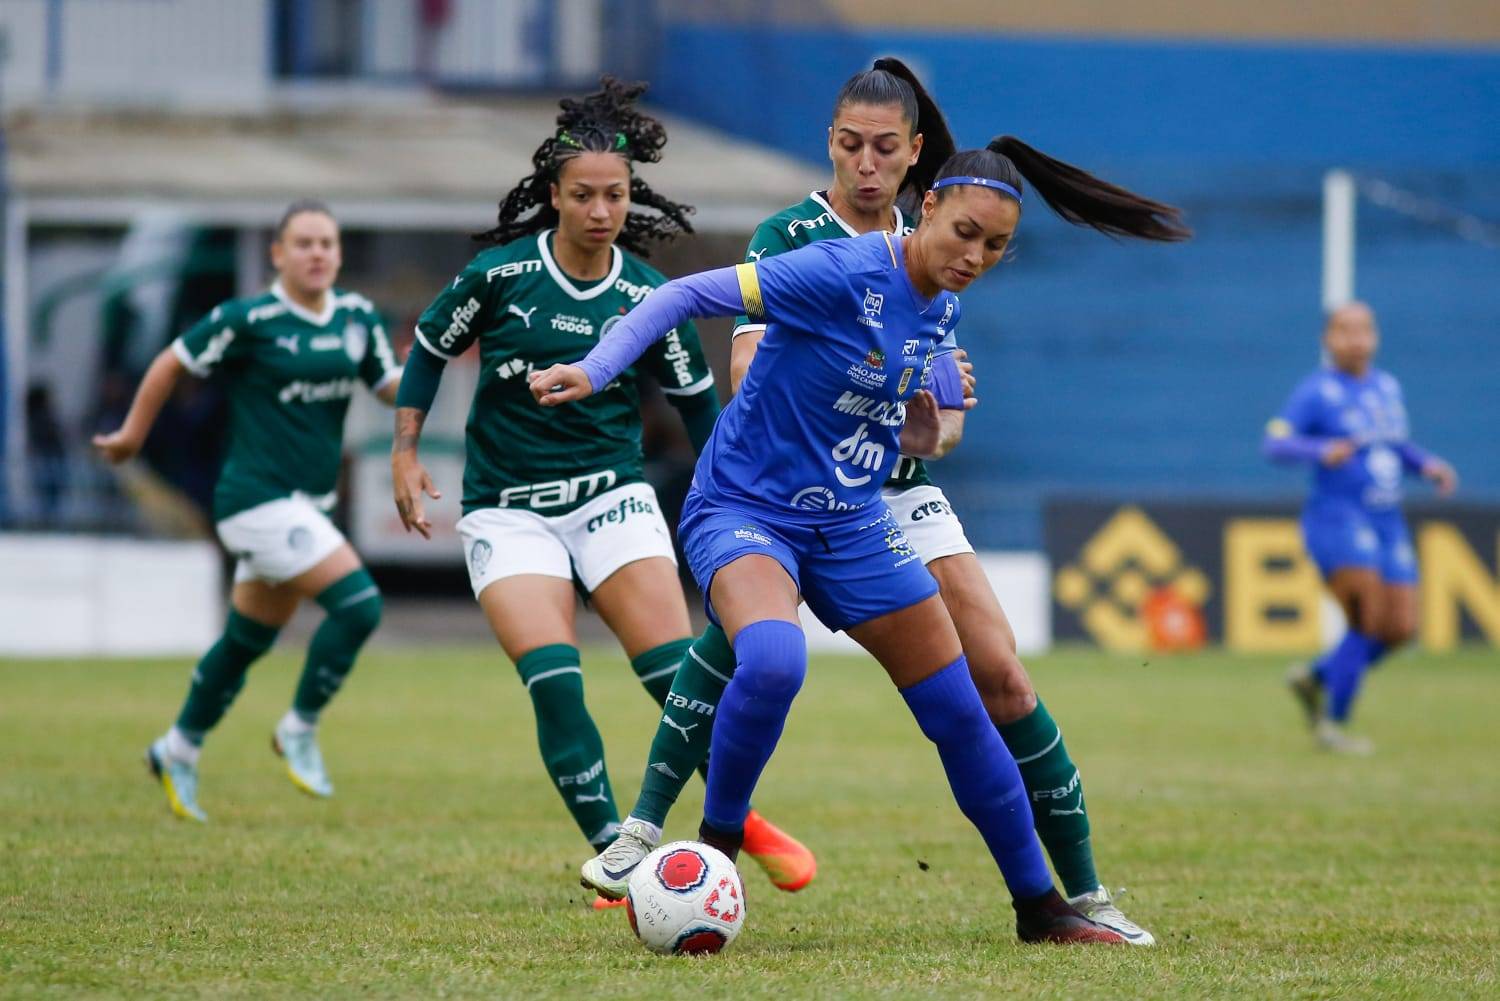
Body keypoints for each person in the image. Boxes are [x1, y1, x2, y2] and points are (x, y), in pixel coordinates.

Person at [578, 58, 1185, 944]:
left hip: (858, 511)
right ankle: (707, 847)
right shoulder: (820, 254)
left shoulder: (940, 295)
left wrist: (926, 419)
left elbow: (927, 430)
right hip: (753, 502)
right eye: (853, 144)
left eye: (995, 247)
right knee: (771, 660)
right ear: (926, 200)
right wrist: (593, 370)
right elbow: (698, 310)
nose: (975, 256)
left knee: (974, 697)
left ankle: (1047, 903)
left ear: (914, 168)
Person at [389, 78, 811, 903]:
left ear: (630, 198)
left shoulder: (650, 297)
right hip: (509, 510)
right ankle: (614, 855)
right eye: (582, 194)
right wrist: (406, 452)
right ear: (553, 197)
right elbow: (430, 349)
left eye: (614, 195)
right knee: (556, 677)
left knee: (675, 677)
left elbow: (702, 412)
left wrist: (743, 505)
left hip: (611, 497)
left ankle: (743, 821)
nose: (599, 210)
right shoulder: (498, 276)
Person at [94, 200, 401, 821]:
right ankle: (300, 726)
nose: (317, 253)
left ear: (339, 255)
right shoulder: (249, 318)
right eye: (304, 243)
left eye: (327, 244)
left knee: (245, 641)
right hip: (255, 501)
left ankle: (176, 747)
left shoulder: (357, 317)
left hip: (308, 507)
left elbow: (388, 384)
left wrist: (437, 364)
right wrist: (130, 436)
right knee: (360, 604)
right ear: (278, 253)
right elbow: (170, 363)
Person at [1265, 301, 1456, 754]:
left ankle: (1316, 677)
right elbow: (1274, 443)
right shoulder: (1316, 392)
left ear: (1375, 336)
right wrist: (1319, 450)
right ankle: (1333, 724)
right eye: (1344, 330)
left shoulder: (1387, 387)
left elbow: (1394, 444)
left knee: (1400, 628)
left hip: (1387, 520)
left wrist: (1427, 464)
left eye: (1364, 329)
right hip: (1338, 519)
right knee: (1367, 617)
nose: (1356, 338)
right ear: (1327, 339)